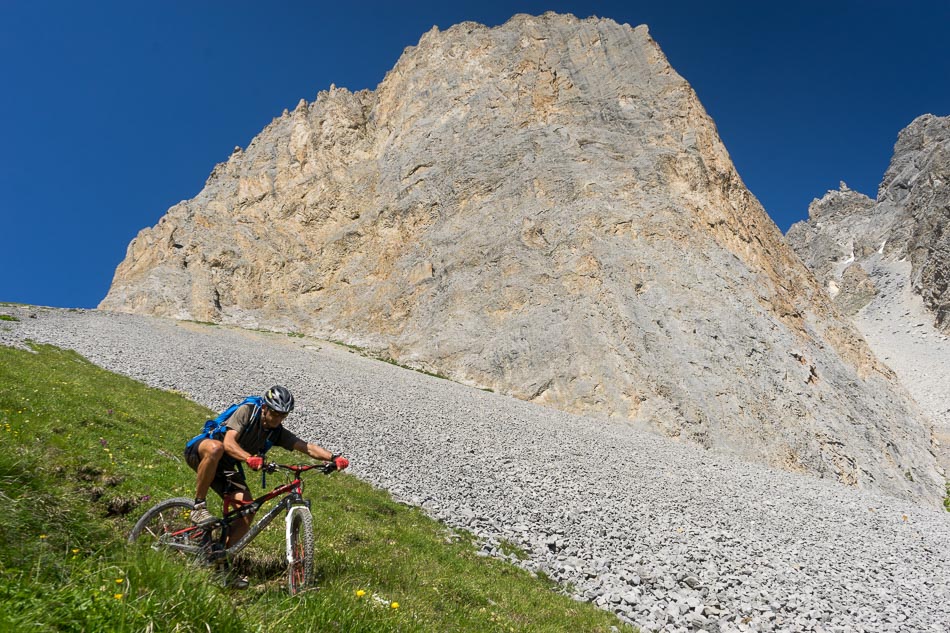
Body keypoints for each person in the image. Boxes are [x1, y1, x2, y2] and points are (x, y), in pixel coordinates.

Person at [183, 385, 348, 587]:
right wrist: (249, 458)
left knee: (247, 510)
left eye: (283, 416)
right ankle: (198, 506)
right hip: (202, 452)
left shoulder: (275, 432)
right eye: (275, 414)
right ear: (265, 408)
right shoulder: (247, 412)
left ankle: (219, 563)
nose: (278, 419)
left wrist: (334, 457)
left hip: (226, 467)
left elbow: (306, 447)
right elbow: (228, 443)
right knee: (216, 448)